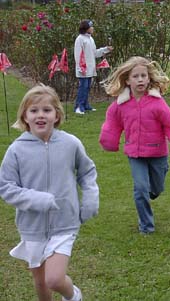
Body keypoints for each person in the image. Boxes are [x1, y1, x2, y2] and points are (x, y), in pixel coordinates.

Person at [0, 85, 99, 301]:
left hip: (65, 223)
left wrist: (90, 199)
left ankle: (73, 295)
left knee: (53, 279)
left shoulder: (70, 143)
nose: (40, 115)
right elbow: (6, 186)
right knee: (40, 281)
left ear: (56, 115)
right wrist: (36, 199)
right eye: (34, 110)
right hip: (31, 226)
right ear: (25, 116)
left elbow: (87, 172)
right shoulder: (16, 150)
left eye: (47, 110)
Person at [99, 56, 170, 234]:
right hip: (135, 154)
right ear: (127, 80)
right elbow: (112, 123)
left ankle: (153, 189)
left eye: (143, 76)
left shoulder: (157, 103)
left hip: (158, 154)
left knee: (156, 189)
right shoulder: (120, 105)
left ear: (149, 78)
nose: (140, 80)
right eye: (135, 76)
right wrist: (109, 139)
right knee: (140, 189)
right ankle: (146, 226)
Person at [74, 19, 113, 114]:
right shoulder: (80, 39)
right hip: (83, 69)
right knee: (83, 87)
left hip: (90, 69)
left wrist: (105, 49)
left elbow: (95, 53)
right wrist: (80, 68)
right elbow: (78, 55)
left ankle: (86, 105)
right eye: (91, 26)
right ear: (86, 28)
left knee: (87, 87)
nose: (92, 28)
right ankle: (78, 107)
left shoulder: (90, 39)